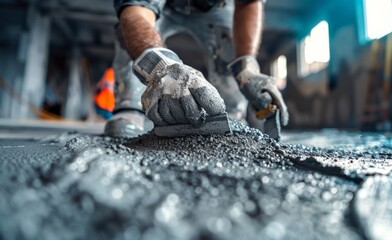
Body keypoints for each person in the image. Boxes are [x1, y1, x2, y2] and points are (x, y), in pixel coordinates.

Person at [105, 0, 288, 137]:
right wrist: (161, 67)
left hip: (215, 8)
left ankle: (229, 116)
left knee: (228, 45)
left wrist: (247, 68)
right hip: (158, 5)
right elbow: (135, 13)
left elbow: (248, 3)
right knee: (128, 30)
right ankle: (129, 108)